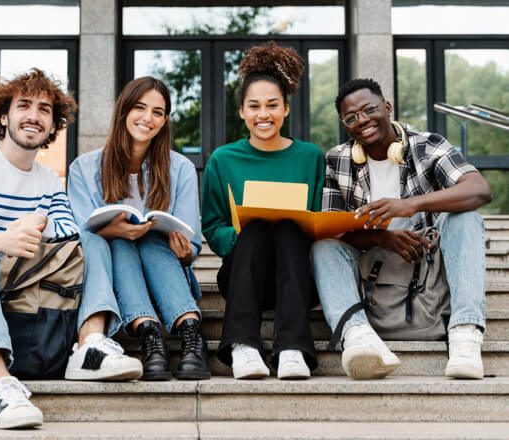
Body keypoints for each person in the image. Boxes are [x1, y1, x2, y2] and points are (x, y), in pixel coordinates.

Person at [0, 68, 142, 430]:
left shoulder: (49, 180)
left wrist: (36, 230)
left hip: (10, 295)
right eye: (24, 106)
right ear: (4, 115)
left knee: (94, 237)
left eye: (45, 110)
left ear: (53, 126)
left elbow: (69, 235)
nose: (34, 116)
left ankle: (91, 344)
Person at [311, 78, 492, 380]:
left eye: (369, 110)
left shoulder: (427, 145)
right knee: (322, 246)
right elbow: (330, 226)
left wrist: (410, 205)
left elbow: (480, 189)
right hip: (370, 264)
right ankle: (358, 338)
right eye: (351, 117)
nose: (362, 121)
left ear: (387, 107)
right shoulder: (336, 160)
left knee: (466, 216)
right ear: (345, 124)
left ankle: (465, 333)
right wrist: (381, 236)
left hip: (424, 263)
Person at [68, 76, 210, 381]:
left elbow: (191, 246)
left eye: (158, 112)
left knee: (152, 240)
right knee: (119, 244)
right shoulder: (84, 167)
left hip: (165, 265)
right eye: (140, 108)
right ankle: (150, 338)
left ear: (164, 121)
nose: (148, 118)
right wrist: (115, 231)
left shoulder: (180, 167)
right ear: (123, 111)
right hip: (115, 266)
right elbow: (80, 234)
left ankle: (190, 334)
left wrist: (185, 252)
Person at [201, 41, 324, 380]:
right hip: (242, 274)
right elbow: (212, 226)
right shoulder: (223, 160)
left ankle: (293, 349)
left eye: (272, 105)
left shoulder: (311, 157)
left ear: (286, 109)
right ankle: (243, 346)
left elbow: (317, 220)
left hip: (297, 275)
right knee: (255, 227)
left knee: (287, 225)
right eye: (253, 106)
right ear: (241, 111)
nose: (263, 114)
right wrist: (242, 229)